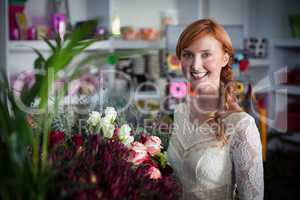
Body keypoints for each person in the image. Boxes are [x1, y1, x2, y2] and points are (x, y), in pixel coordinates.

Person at [167, 18, 264, 200]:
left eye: (206, 54)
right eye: (187, 54)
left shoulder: (242, 125)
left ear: (225, 58)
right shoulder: (181, 112)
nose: (195, 65)